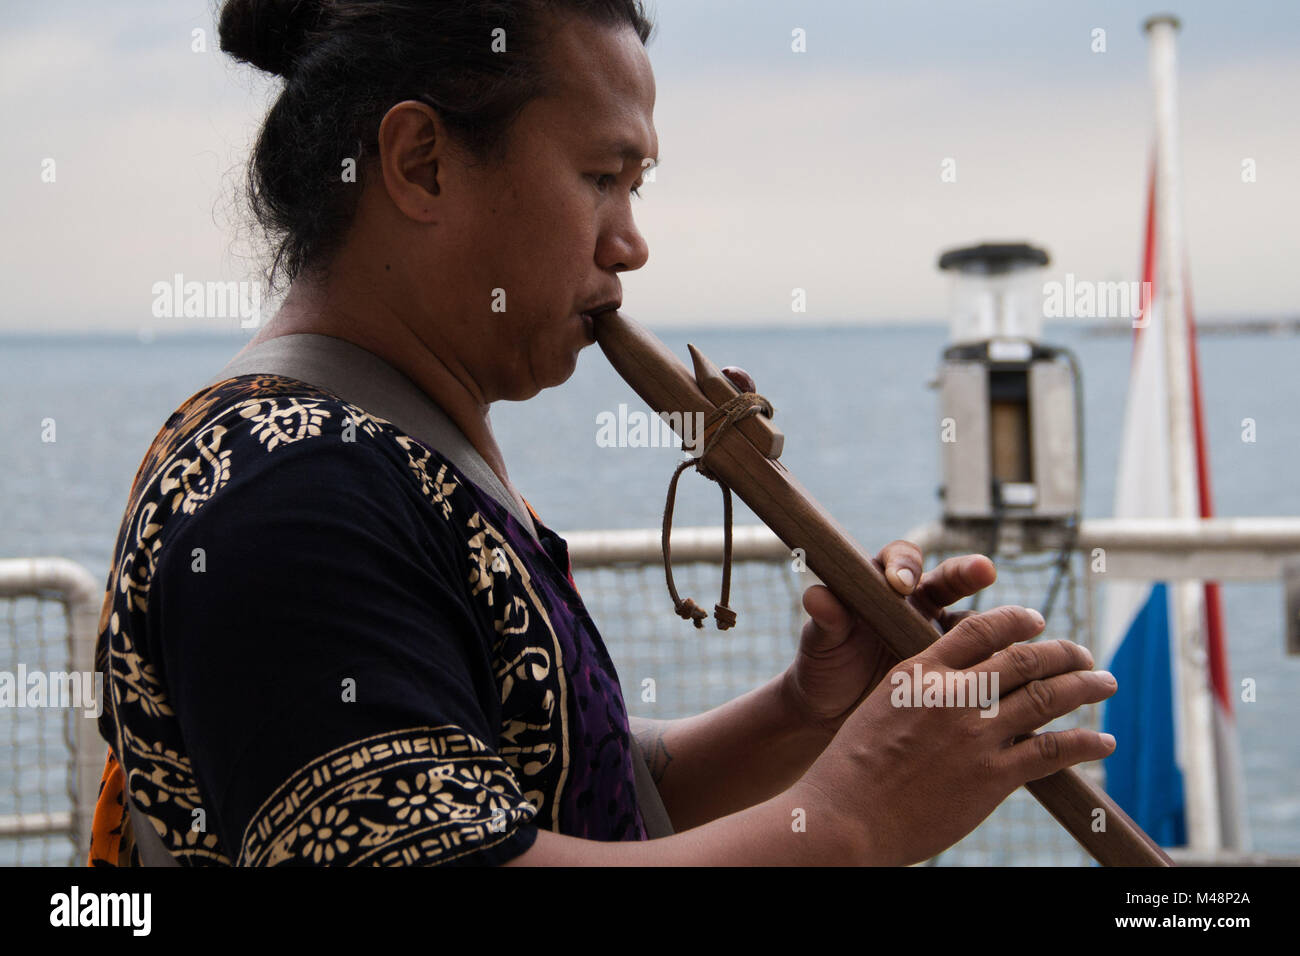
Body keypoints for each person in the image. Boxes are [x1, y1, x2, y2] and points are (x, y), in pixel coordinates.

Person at [88, 0, 1117, 867]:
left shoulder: (389, 451)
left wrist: (809, 709)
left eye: (636, 186)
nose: (630, 242)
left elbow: (574, 791)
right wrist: (854, 816)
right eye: (600, 177)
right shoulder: (293, 493)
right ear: (421, 163)